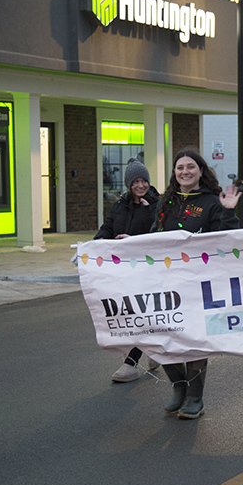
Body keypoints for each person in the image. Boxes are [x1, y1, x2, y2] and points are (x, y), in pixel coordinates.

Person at [152, 148, 241, 419]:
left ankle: (195, 397)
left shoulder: (213, 201)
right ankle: (178, 388)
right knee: (165, 335)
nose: (185, 172)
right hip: (166, 279)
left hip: (199, 281)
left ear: (201, 170)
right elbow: (154, 237)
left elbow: (227, 241)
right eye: (180, 168)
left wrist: (228, 212)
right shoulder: (166, 201)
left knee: (192, 338)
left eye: (190, 167)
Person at [95, 158, 161, 382]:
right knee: (131, 315)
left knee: (141, 315)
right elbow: (107, 228)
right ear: (128, 184)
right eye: (135, 182)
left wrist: (146, 212)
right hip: (123, 271)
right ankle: (154, 351)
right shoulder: (120, 204)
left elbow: (158, 234)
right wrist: (91, 247)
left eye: (144, 181)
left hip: (148, 270)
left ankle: (131, 363)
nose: (140, 186)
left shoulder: (157, 204)